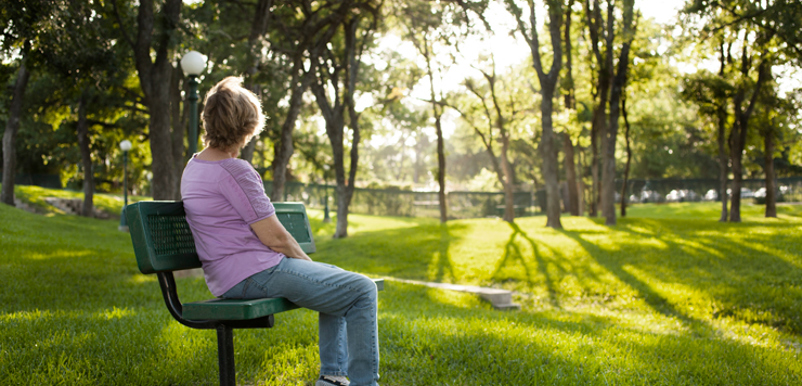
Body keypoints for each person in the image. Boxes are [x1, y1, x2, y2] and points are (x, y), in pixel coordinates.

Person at [180, 76, 379, 386]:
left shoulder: (194, 166)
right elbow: (275, 237)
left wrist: (312, 271)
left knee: (339, 285)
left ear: (208, 120)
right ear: (247, 126)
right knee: (361, 290)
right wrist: (308, 266)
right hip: (254, 273)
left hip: (229, 275)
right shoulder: (235, 170)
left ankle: (333, 379)